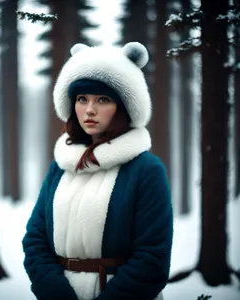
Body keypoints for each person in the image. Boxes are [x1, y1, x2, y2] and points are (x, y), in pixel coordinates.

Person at [22, 42, 173, 300]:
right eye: (82, 99)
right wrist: (56, 293)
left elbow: (151, 258)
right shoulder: (62, 165)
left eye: (103, 99)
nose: (89, 110)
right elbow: (35, 240)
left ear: (123, 106)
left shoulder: (146, 170)